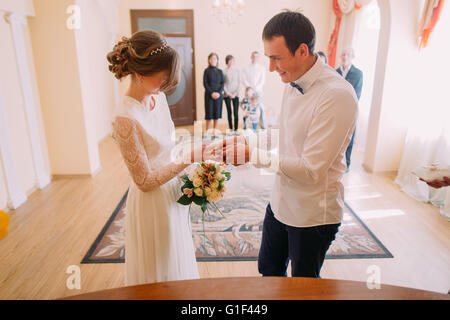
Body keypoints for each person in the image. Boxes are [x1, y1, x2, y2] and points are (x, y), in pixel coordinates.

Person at [220, 10, 358, 278]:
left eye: (276, 58)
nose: (271, 68)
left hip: (312, 215)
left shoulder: (337, 96)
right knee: (269, 271)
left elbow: (310, 169)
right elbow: (282, 133)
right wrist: (245, 139)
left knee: (303, 287)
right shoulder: (292, 80)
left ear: (302, 50)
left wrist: (250, 154)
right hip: (280, 202)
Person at [107, 30, 213, 285]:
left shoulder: (159, 97)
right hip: (151, 201)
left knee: (175, 257)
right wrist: (188, 159)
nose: (167, 83)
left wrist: (193, 170)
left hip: (172, 191)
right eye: (163, 76)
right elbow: (144, 181)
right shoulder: (125, 117)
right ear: (141, 73)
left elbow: (166, 149)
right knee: (159, 266)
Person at [336, 47, 363, 172]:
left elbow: (357, 94)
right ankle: (335, 161)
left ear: (352, 57)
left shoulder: (358, 74)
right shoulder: (335, 72)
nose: (345, 57)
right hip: (336, 109)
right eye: (343, 54)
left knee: (349, 137)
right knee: (336, 136)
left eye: (347, 54)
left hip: (351, 110)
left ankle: (347, 163)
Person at [242, 51, 266, 129]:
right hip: (249, 91)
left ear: (258, 58)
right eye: (253, 56)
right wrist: (250, 89)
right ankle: (246, 126)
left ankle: (263, 127)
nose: (255, 58)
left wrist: (255, 89)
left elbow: (262, 80)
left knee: (260, 108)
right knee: (247, 108)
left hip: (258, 92)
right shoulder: (246, 68)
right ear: (251, 57)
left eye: (256, 56)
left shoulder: (262, 68)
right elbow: (244, 79)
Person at [203, 52, 224, 138]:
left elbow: (222, 83)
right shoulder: (206, 71)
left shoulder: (220, 71)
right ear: (209, 60)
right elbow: (205, 83)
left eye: (215, 58)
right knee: (209, 114)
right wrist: (212, 93)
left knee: (216, 114)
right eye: (211, 58)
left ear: (217, 60)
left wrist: (218, 93)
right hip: (209, 95)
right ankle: (207, 132)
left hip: (219, 96)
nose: (213, 60)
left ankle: (215, 131)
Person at [223, 55, 240, 132]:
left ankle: (236, 129)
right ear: (227, 61)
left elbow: (239, 82)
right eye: (229, 60)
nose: (231, 62)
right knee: (229, 112)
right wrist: (228, 93)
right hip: (227, 95)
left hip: (235, 94)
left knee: (236, 112)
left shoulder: (237, 70)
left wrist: (235, 93)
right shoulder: (224, 71)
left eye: (232, 60)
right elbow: (223, 84)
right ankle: (230, 129)